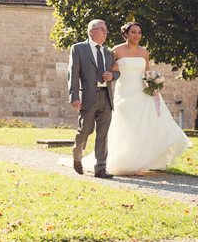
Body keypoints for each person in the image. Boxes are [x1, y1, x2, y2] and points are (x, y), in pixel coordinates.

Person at [82, 21, 192, 175]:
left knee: (143, 127)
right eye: (133, 32)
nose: (137, 35)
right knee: (128, 126)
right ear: (126, 34)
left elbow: (146, 73)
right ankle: (123, 162)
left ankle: (138, 163)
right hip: (124, 93)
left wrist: (153, 83)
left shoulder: (144, 52)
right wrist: (112, 71)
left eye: (139, 32)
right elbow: (108, 70)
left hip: (142, 93)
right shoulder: (116, 50)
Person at [68, 19, 120, 179]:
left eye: (106, 30)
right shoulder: (78, 49)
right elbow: (73, 73)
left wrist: (113, 75)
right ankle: (77, 157)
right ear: (91, 31)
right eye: (101, 29)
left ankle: (100, 168)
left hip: (106, 96)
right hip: (88, 97)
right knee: (85, 131)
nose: (105, 32)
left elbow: (117, 72)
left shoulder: (109, 52)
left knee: (103, 134)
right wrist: (74, 96)